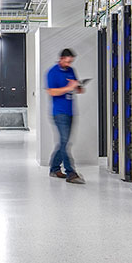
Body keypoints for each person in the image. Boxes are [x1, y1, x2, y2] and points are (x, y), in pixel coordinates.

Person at [45, 48, 86, 184]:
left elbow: (76, 88)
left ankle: (54, 168)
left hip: (70, 111)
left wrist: (78, 87)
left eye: (71, 62)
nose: (69, 64)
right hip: (59, 113)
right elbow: (52, 92)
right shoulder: (52, 72)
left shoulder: (71, 71)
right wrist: (68, 88)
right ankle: (71, 173)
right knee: (64, 142)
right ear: (61, 59)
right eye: (67, 62)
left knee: (64, 142)